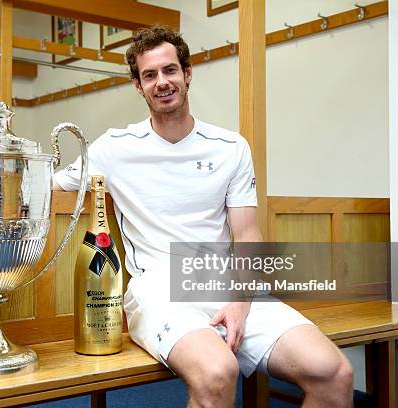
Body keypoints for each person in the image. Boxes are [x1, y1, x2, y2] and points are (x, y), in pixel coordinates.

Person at [54, 26, 353, 407]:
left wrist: (240, 303)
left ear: (187, 73)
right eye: (150, 75)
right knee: (217, 372)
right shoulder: (114, 148)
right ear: (138, 85)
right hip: (157, 290)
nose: (162, 82)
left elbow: (247, 235)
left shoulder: (231, 148)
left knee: (334, 373)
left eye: (170, 70)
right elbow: (54, 187)